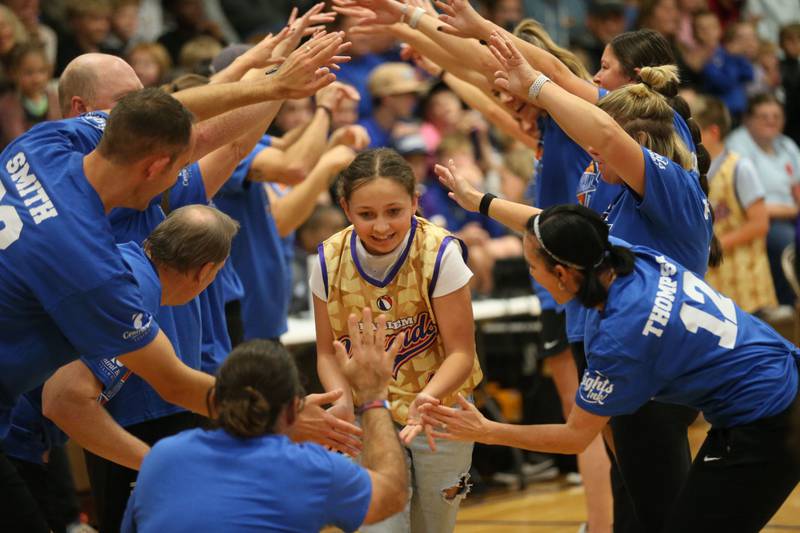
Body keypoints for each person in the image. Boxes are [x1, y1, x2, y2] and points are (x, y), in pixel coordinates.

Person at [421, 204, 800, 533]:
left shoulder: (620, 338)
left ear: (564, 275)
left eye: (533, 267)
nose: (532, 276)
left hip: (769, 419)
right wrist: (481, 202)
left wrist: (487, 430)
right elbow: (549, 224)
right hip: (778, 379)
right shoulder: (621, 252)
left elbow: (575, 437)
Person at [3, 204, 239, 531]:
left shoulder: (128, 269)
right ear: (205, 272)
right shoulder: (129, 296)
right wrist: (154, 464)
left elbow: (175, 382)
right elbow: (62, 399)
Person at [312, 148, 483, 532]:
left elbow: (460, 352)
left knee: (433, 526)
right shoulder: (327, 260)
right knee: (379, 526)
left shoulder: (440, 252)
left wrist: (428, 398)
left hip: (440, 410)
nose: (382, 227)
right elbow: (325, 351)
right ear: (345, 207)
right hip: (368, 412)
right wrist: (339, 401)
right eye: (366, 215)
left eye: (394, 212)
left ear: (415, 202)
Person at [122, 311, 409, 532]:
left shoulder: (162, 456)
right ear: (292, 411)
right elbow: (392, 494)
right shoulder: (310, 469)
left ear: (218, 400)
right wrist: (372, 395)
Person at [693, 95, 777, 313]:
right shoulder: (693, 172)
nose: (688, 140)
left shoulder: (741, 168)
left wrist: (716, 244)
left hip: (747, 285)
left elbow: (760, 224)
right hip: (714, 284)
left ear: (713, 132)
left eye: (695, 133)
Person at [726, 93, 800, 309]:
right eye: (764, 116)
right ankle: (789, 305)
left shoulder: (786, 145)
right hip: (759, 220)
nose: (771, 121)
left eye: (776, 116)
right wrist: (792, 210)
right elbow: (747, 204)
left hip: (790, 214)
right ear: (748, 120)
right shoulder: (738, 146)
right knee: (787, 242)